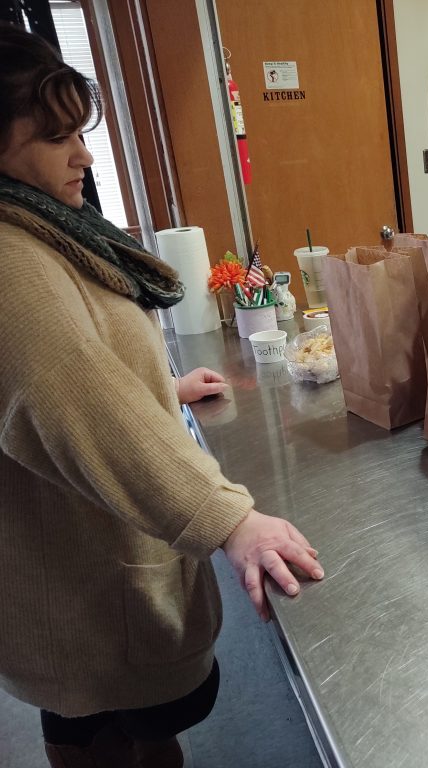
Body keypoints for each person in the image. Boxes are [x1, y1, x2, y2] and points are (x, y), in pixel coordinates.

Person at [0, 25, 323, 767]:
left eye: (79, 132)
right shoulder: (11, 257)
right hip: (80, 579)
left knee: (123, 729)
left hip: (91, 561)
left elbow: (74, 360)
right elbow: (73, 404)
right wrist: (230, 520)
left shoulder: (46, 223)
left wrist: (158, 385)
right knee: (99, 731)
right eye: (55, 138)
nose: (82, 154)